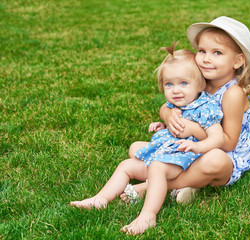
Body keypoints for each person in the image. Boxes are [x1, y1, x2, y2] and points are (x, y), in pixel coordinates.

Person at [70, 46, 225, 235]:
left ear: (200, 84)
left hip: (185, 157)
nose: (176, 90)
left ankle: (148, 216)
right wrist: (163, 126)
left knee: (157, 167)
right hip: (168, 153)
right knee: (127, 164)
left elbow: (218, 137)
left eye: (183, 83)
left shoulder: (205, 107)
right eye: (169, 84)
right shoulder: (176, 104)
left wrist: (197, 145)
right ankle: (100, 199)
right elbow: (176, 127)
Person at [127, 16, 250, 205]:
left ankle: (154, 185)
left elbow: (229, 143)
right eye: (202, 51)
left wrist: (191, 129)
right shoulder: (200, 81)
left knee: (215, 161)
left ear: (238, 61)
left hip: (224, 156)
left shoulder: (233, 94)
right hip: (191, 147)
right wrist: (167, 114)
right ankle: (191, 184)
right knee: (135, 149)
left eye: (217, 53)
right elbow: (169, 105)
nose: (206, 59)